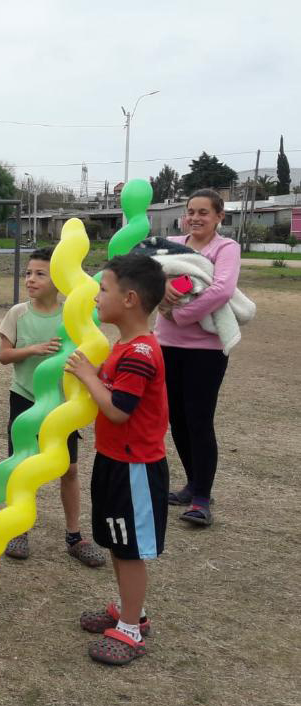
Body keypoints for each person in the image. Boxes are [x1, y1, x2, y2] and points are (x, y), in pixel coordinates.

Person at [64, 253, 168, 666]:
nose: (95, 297)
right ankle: (130, 610)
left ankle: (131, 628)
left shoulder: (140, 352)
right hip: (113, 459)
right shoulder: (122, 346)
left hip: (135, 467)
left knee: (129, 549)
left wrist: (89, 376)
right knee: (115, 540)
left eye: (102, 289)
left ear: (128, 299)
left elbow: (119, 409)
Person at [0, 247, 104, 567]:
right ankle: (18, 528)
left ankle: (74, 536)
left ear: (58, 280)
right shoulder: (18, 313)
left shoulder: (72, 313)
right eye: (28, 273)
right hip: (25, 398)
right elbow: (4, 356)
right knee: (21, 465)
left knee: (69, 469)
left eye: (40, 274)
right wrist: (33, 349)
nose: (31, 279)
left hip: (62, 406)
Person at [155, 189, 241, 527]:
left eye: (204, 212)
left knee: (199, 420)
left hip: (205, 350)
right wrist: (160, 287)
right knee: (176, 418)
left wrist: (181, 315)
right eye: (191, 211)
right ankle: (192, 484)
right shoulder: (172, 243)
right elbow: (145, 275)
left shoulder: (226, 248)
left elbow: (222, 290)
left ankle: (203, 498)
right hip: (167, 344)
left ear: (219, 216)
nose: (195, 217)